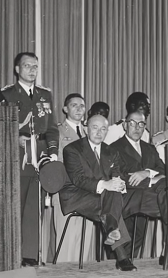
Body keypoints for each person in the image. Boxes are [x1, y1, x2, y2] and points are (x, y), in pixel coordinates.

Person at [60, 115, 146, 271]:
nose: (99, 132)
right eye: (95, 127)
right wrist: (107, 184)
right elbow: (78, 179)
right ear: (86, 128)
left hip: (105, 197)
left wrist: (118, 183)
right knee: (111, 199)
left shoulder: (111, 150)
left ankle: (114, 234)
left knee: (123, 196)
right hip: (79, 195)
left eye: (103, 128)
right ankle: (121, 253)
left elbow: (117, 172)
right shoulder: (71, 149)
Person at [1, 52, 59, 266]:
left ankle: (31, 255)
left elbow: (52, 128)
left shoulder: (45, 94)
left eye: (35, 66)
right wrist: (15, 138)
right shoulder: (6, 94)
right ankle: (14, 255)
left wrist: (52, 153)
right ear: (17, 69)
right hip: (20, 156)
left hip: (41, 154)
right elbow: (1, 128)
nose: (32, 70)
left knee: (35, 206)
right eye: (27, 66)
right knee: (19, 204)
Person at [110, 110, 168, 267]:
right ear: (125, 125)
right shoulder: (113, 148)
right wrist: (151, 180)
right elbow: (120, 177)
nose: (137, 127)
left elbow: (164, 170)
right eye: (132, 123)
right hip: (127, 196)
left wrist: (146, 173)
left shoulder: (149, 148)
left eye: (141, 124)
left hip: (151, 197)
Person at [51, 93, 97, 262]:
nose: (79, 109)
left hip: (88, 190)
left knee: (84, 240)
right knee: (66, 238)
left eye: (82, 106)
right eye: (74, 105)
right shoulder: (57, 131)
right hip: (66, 191)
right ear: (65, 109)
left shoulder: (90, 132)